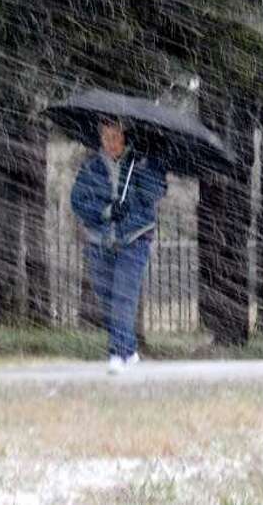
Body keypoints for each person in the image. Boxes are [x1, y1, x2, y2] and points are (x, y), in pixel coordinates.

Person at [70, 116, 167, 374]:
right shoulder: (92, 167)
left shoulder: (143, 163)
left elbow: (153, 194)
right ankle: (129, 348)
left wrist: (144, 170)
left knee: (124, 296)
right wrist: (105, 211)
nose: (110, 142)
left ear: (126, 137)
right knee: (107, 297)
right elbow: (78, 201)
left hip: (134, 240)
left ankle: (116, 354)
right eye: (106, 137)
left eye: (116, 137)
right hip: (99, 241)